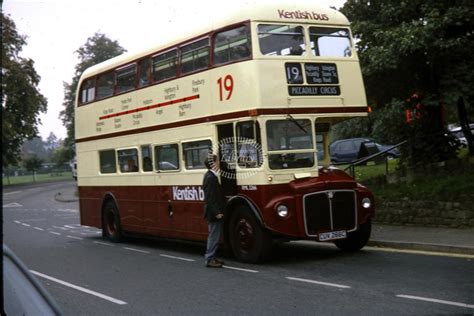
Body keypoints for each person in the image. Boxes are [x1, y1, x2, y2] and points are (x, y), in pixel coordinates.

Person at [202, 154, 226, 268]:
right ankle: (209, 259)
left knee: (214, 235)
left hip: (213, 212)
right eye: (217, 161)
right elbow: (210, 198)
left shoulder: (210, 175)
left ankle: (212, 257)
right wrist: (217, 213)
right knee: (213, 236)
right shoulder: (211, 178)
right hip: (213, 214)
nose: (219, 163)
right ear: (213, 163)